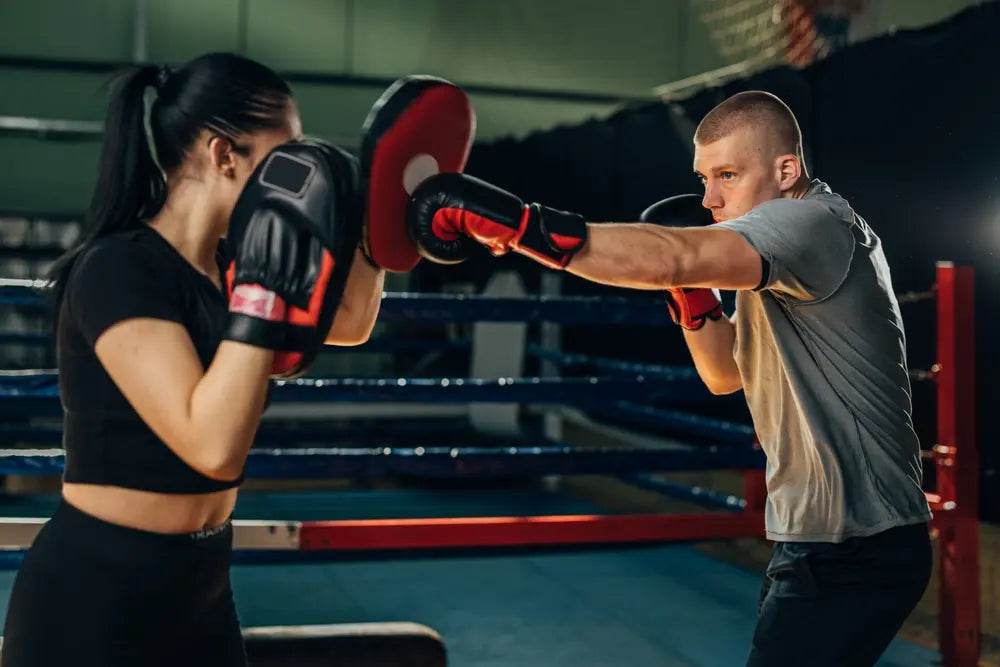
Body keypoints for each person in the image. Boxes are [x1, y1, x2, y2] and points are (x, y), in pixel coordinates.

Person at [407, 90, 934, 667]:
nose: (710, 198)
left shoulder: (808, 224)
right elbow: (725, 373)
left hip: (855, 542)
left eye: (728, 175)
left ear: (786, 171)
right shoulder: (782, 254)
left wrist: (520, 227)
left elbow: (671, 255)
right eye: (704, 177)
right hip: (827, 538)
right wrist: (689, 295)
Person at [0, 53, 383, 667]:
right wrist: (261, 288)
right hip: (95, 600)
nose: (299, 176)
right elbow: (209, 446)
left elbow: (351, 323)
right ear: (223, 154)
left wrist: (373, 213)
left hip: (200, 590)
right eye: (282, 155)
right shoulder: (119, 269)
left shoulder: (227, 271)